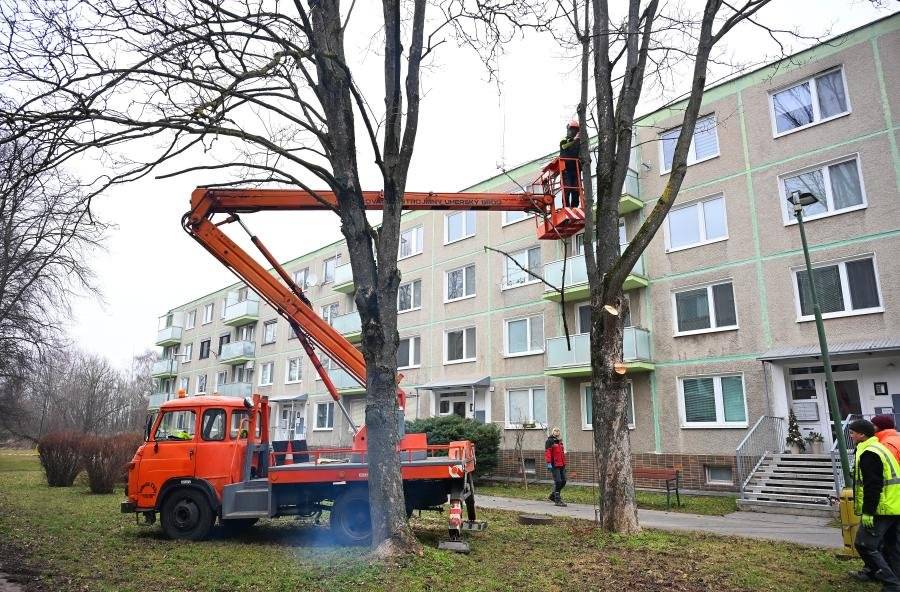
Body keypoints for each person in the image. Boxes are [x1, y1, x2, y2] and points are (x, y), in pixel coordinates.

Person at [848, 418, 900, 591]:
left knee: (865, 544)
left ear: (862, 435)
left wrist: (869, 512)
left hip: (881, 507)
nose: (851, 435)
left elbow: (873, 485)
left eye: (853, 432)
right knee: (892, 545)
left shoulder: (869, 453)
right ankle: (895, 580)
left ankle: (891, 584)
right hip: (894, 505)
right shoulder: (879, 447)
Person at [559, 120, 582, 208]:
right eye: (572, 129)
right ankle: (566, 207)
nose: (573, 132)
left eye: (575, 130)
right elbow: (565, 146)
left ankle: (574, 207)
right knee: (567, 188)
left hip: (576, 170)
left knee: (576, 190)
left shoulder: (579, 143)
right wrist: (575, 139)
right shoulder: (564, 142)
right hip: (566, 169)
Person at [545, 427, 567, 507]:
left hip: (562, 465)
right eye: (555, 430)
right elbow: (548, 452)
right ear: (553, 432)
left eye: (558, 430)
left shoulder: (560, 442)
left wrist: (564, 464)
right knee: (558, 481)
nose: (557, 432)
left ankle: (553, 495)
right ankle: (557, 500)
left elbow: (561, 453)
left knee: (563, 481)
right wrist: (548, 463)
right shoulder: (549, 441)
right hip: (554, 465)